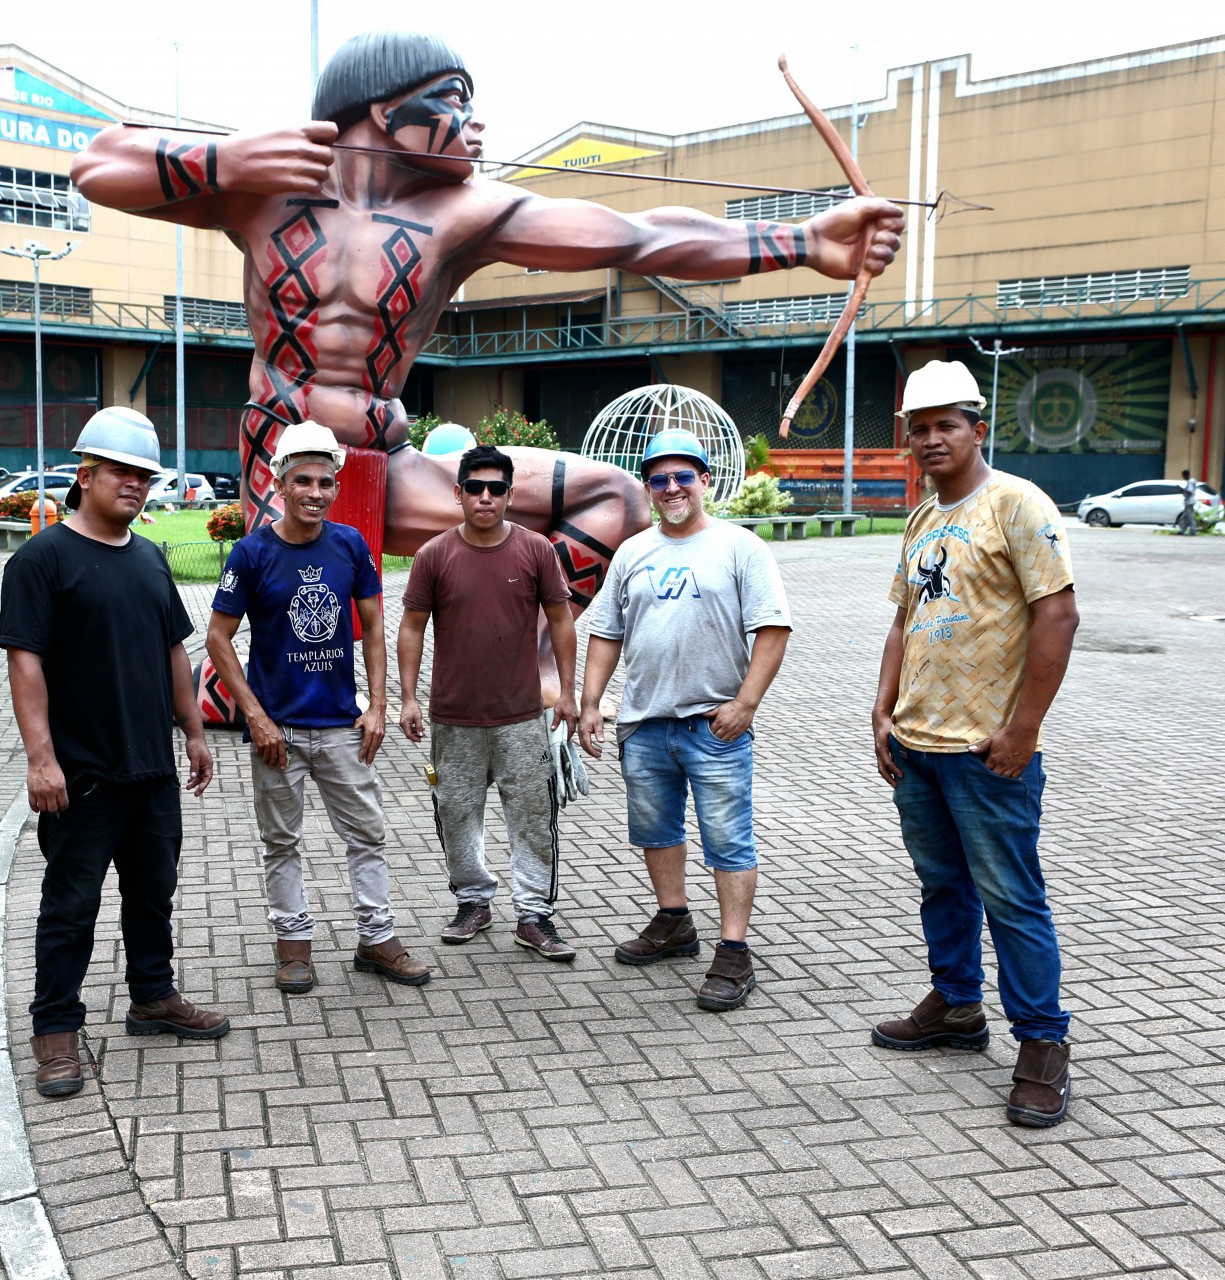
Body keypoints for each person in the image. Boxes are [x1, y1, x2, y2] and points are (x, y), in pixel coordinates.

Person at [72, 30, 902, 657]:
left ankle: (534, 671)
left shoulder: (464, 215)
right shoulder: (265, 186)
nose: (473, 125)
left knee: (612, 498)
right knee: (281, 657)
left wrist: (803, 241)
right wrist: (225, 158)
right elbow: (99, 162)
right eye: (452, 100)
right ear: (385, 111)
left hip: (378, 456)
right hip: (279, 459)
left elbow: (639, 237)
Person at [868, 359, 1081, 1129]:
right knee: (943, 888)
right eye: (918, 429)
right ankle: (957, 1008)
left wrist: (1023, 729)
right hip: (918, 748)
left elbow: (1058, 616)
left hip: (988, 753)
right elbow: (902, 621)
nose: (930, 440)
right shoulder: (925, 516)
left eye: (945, 425)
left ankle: (1043, 1045)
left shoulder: (1015, 505)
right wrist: (882, 710)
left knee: (1012, 900)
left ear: (976, 427)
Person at [0, 406, 228, 1100]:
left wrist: (192, 731)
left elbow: (171, 651)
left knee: (152, 891)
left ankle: (152, 997)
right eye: (122, 473)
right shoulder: (43, 560)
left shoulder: (149, 558)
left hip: (151, 767)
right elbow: (25, 664)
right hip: (82, 775)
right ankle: (55, 1031)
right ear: (85, 475)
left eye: (144, 476)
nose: (135, 486)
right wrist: (41, 760)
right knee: (69, 906)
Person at [206, 422, 431, 990]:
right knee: (281, 842)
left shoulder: (350, 544)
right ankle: (293, 945)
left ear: (336, 486)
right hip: (276, 729)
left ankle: (378, 940)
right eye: (302, 480)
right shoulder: (251, 553)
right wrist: (255, 717)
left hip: (339, 725)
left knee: (367, 835)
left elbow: (375, 627)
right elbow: (217, 638)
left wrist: (377, 706)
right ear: (279, 483)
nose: (315, 492)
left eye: (325, 482)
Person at [576, 429, 791, 1010]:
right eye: (659, 479)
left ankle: (734, 951)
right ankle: (674, 921)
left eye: (683, 477)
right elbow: (606, 632)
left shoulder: (740, 547)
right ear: (648, 488)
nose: (672, 488)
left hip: (712, 724)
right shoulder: (633, 551)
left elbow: (773, 628)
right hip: (645, 724)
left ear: (705, 481)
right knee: (655, 831)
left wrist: (745, 704)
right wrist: (591, 703)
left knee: (728, 839)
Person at [397, 445, 579, 960]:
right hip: (453, 717)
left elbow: (561, 620)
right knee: (456, 813)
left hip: (521, 716)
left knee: (532, 815)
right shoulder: (434, 555)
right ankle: (473, 901)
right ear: (457, 493)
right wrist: (408, 699)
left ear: (509, 494)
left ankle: (534, 914)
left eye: (495, 488)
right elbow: (411, 627)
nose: (484, 497)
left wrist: (567, 693)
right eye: (474, 488)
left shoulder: (536, 549)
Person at [1178, 469, 1199, 535]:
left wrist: (1182, 489)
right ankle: (1182, 530)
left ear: (1185, 475)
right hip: (1188, 501)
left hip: (1189, 502)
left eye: (1183, 476)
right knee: (1184, 517)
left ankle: (1193, 530)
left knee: (1190, 517)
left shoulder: (1190, 482)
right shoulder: (1191, 481)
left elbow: (1189, 491)